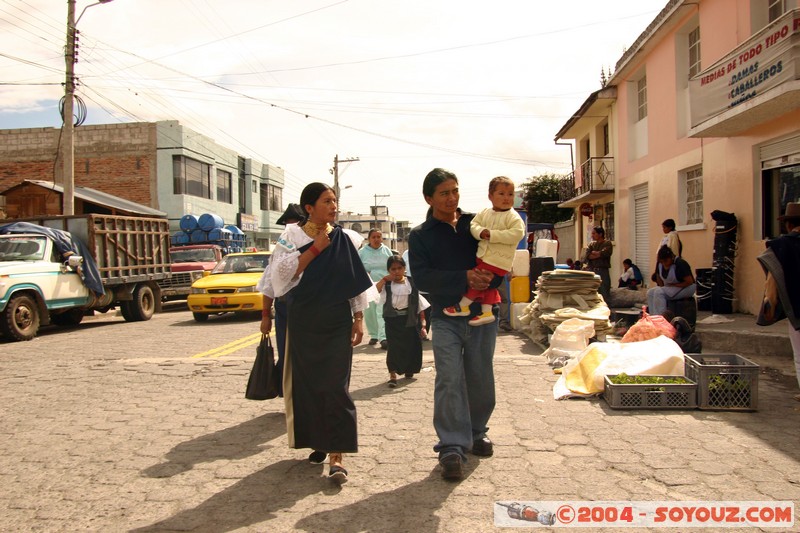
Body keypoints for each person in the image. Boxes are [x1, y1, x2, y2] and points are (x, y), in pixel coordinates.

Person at [256, 183, 375, 484]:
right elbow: (278, 277)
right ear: (309, 207)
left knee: (336, 386)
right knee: (309, 386)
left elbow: (353, 280)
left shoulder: (344, 238)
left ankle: (338, 455)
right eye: (326, 201)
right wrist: (314, 249)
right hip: (303, 320)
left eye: (335, 201)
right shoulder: (290, 236)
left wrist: (358, 318)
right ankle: (319, 441)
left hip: (336, 320)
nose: (333, 206)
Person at [408, 168, 498, 481]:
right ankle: (451, 445)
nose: (452, 198)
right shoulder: (420, 235)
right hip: (445, 316)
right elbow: (422, 278)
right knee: (448, 377)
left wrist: (492, 276)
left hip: (482, 314)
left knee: (480, 375)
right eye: (444, 193)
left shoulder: (479, 224)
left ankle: (476, 431)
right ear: (429, 198)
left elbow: (499, 255)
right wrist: (464, 277)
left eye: (455, 191)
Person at [443, 176, 526, 326]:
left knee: (478, 279)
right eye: (501, 193)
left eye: (510, 194)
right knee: (487, 285)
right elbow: (474, 225)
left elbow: (517, 234)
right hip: (484, 256)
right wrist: (480, 232)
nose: (506, 198)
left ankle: (463, 305)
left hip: (498, 260)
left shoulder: (513, 216)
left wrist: (492, 235)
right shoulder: (485, 213)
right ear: (490, 196)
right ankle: (487, 312)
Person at [756, 202, 800, 402]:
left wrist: (770, 304)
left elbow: (772, 277)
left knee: (799, 354)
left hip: (797, 307)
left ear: (788, 225)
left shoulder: (781, 246)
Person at [268, 203, 306, 397]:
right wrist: (265, 315)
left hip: (307, 309)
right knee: (286, 353)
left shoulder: (315, 243)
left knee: (305, 357)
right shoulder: (280, 249)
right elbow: (268, 281)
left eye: (295, 223)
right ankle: (290, 397)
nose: (290, 227)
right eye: (287, 223)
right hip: (283, 307)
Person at [376, 255, 430, 387]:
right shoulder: (387, 284)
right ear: (389, 270)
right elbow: (375, 291)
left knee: (411, 346)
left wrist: (423, 324)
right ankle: (393, 374)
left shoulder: (411, 282)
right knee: (394, 348)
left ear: (404, 268)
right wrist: (383, 280)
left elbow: (419, 305)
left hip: (410, 320)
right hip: (393, 320)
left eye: (399, 268)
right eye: (393, 269)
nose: (396, 271)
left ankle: (409, 369)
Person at [358, 229, 393, 349]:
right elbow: (357, 267)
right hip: (369, 285)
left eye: (379, 236)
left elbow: (392, 265)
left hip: (384, 284)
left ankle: (383, 337)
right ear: (369, 239)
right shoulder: (362, 252)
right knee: (370, 311)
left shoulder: (386, 250)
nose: (377, 239)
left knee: (381, 311)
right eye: (374, 237)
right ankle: (374, 334)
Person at [647, 245, 696, 316]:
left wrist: (674, 285)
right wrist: (663, 287)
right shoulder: (659, 264)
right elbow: (658, 276)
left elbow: (689, 282)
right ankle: (654, 318)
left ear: (671, 257)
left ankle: (662, 319)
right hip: (671, 287)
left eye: (666, 261)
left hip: (686, 288)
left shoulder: (680, 263)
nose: (664, 264)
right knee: (650, 292)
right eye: (662, 262)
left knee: (659, 292)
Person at [402, 248, 431, 339]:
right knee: (414, 310)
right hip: (412, 287)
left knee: (427, 311)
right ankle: (415, 332)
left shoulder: (428, 252)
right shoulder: (406, 253)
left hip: (427, 288)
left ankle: (424, 332)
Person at [582, 226, 613, 303]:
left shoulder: (607, 243)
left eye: (594, 233)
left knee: (604, 293)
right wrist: (597, 254)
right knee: (591, 293)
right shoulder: (591, 244)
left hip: (602, 271)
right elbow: (587, 256)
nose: (592, 235)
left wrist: (596, 253)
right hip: (592, 271)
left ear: (600, 234)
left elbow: (605, 253)